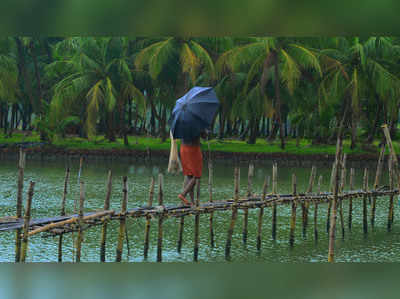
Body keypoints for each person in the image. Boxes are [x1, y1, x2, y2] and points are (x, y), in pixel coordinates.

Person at [178, 132, 207, 206]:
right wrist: (205, 132)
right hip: (193, 149)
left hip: (183, 148)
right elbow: (204, 136)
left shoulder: (182, 123)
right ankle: (183, 194)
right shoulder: (197, 124)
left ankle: (192, 202)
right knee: (197, 175)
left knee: (189, 175)